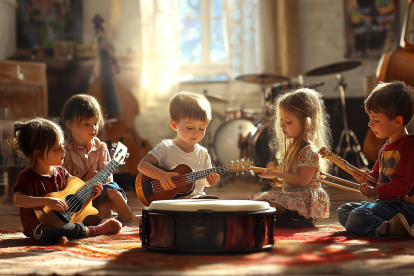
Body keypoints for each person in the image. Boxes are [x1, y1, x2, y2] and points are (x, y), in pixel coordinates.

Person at [12, 117, 122, 244]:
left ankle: (68, 235)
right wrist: (47, 201)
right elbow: (18, 200)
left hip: (66, 221)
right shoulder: (27, 176)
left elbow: (73, 197)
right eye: (56, 148)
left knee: (77, 223)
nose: (63, 150)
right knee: (50, 233)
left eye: (62, 145)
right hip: (39, 227)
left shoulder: (61, 172)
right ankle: (95, 230)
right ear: (39, 155)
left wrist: (91, 196)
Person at [337, 81, 414, 238]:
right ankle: (388, 226)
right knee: (344, 211)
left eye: (376, 120)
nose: (370, 124)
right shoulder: (386, 147)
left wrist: (375, 191)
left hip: (405, 206)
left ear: (397, 121)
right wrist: (366, 177)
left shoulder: (409, 145)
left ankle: (390, 228)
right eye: (370, 118)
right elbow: (377, 176)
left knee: (358, 217)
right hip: (386, 204)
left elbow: (402, 186)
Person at [248, 88, 332, 228]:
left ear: (306, 123)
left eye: (288, 121)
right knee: (256, 201)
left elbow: (302, 181)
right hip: (293, 197)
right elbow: (292, 180)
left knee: (264, 204)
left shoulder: (309, 151)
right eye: (281, 120)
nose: (281, 125)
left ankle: (298, 218)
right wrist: (279, 180)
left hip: (304, 201)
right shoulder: (294, 147)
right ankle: (286, 217)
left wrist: (275, 172)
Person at [61, 94, 134, 223]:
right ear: (69, 124)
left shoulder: (101, 148)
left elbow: (108, 178)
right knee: (97, 212)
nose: (93, 128)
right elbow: (63, 181)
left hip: (99, 193)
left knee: (112, 189)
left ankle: (125, 215)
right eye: (86, 124)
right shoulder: (65, 150)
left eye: (95, 124)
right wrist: (84, 180)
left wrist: (99, 182)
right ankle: (101, 217)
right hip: (76, 199)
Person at [137, 91, 220, 199]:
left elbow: (205, 182)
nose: (196, 132)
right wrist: (161, 175)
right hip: (172, 202)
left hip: (197, 201)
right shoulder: (165, 148)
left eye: (202, 128)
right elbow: (142, 165)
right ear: (174, 125)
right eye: (190, 127)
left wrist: (211, 182)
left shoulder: (203, 153)